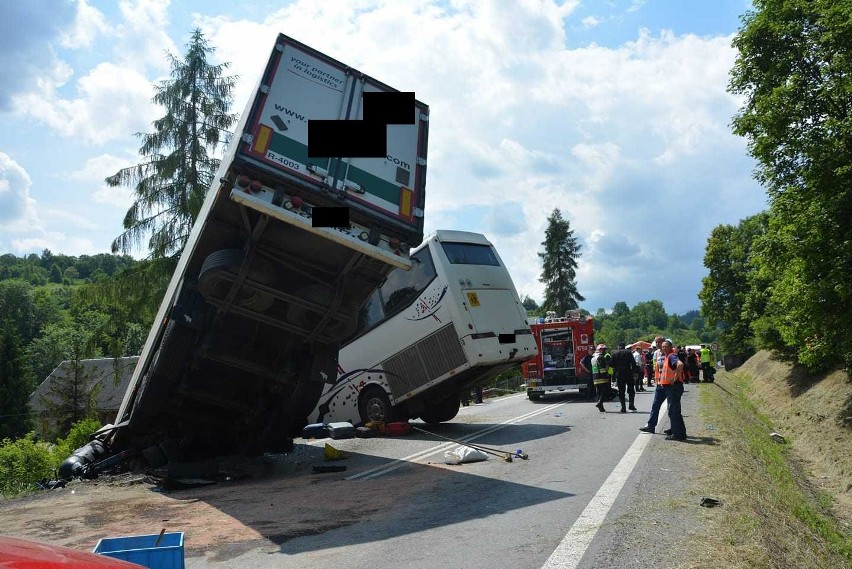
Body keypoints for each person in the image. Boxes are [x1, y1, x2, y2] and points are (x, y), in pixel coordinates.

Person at [639, 339, 687, 440]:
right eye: (657, 343)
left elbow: (680, 365)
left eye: (662, 344)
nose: (660, 346)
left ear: (670, 346)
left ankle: (678, 433)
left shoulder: (671, 355)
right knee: (662, 407)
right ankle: (674, 431)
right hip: (662, 385)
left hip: (671, 386)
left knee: (673, 410)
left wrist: (675, 378)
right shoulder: (660, 354)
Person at [610, 343, 638, 413]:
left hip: (619, 373)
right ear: (624, 347)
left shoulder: (614, 353)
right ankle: (631, 404)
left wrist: (615, 370)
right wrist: (634, 372)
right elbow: (633, 363)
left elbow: (611, 364)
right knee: (631, 389)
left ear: (618, 347)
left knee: (621, 391)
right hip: (628, 372)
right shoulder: (628, 352)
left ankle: (623, 407)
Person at [591, 344, 612, 412]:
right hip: (602, 377)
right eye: (603, 349)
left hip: (595, 377)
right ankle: (600, 403)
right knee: (604, 391)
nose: (604, 351)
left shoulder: (593, 358)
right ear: (600, 350)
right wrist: (606, 376)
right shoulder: (601, 357)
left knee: (599, 392)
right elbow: (603, 368)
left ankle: (601, 407)